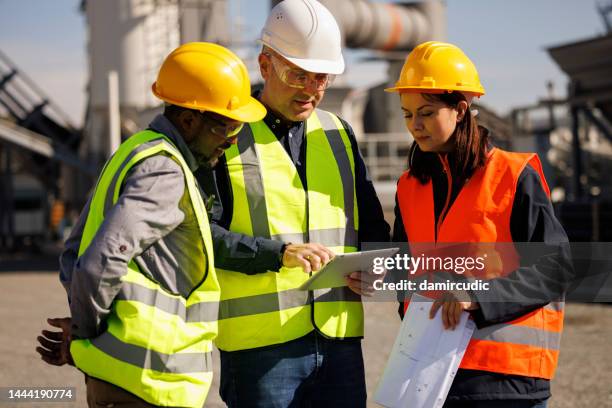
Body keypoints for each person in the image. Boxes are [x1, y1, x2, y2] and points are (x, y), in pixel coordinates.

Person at [36, 42, 266, 408]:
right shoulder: (165, 170)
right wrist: (85, 336)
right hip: (147, 386)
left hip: (122, 381)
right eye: (229, 127)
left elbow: (73, 253)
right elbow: (97, 264)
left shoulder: (135, 150)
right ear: (190, 120)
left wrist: (84, 332)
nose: (233, 141)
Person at [201, 0, 390, 406]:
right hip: (260, 351)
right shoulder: (225, 135)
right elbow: (202, 236)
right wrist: (278, 254)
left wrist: (375, 267)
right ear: (265, 65)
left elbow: (372, 225)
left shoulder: (338, 133)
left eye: (321, 78)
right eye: (298, 74)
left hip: (339, 339)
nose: (311, 90)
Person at [387, 41, 573, 408]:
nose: (415, 126)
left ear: (460, 109)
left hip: (506, 380)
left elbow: (556, 267)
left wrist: (477, 297)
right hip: (431, 373)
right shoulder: (408, 187)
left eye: (425, 112)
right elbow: (402, 270)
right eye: (407, 114)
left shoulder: (512, 175)